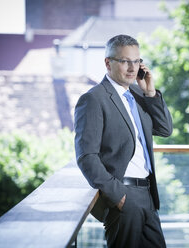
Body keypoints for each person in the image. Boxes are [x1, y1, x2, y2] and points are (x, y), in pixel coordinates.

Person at [74, 34, 172, 248]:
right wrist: (118, 196)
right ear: (108, 63)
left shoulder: (138, 94)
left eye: (136, 61)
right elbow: (86, 156)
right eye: (125, 61)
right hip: (123, 197)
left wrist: (151, 92)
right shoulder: (93, 99)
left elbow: (165, 129)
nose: (132, 67)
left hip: (148, 194)